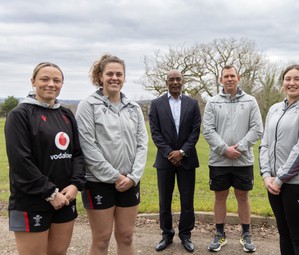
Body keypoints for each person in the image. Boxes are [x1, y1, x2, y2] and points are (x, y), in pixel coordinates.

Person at [5, 62, 86, 255]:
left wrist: (75, 185)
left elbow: (77, 154)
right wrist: (50, 193)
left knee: (58, 252)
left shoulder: (66, 114)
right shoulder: (19, 115)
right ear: (33, 81)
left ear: (62, 84)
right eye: (44, 79)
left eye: (56, 80)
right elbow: (21, 161)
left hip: (65, 199)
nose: (51, 84)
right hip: (32, 201)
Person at [75, 54, 148, 255]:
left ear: (124, 78)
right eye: (110, 74)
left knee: (126, 236)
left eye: (119, 74)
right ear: (100, 76)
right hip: (98, 181)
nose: (114, 78)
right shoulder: (87, 106)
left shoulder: (134, 108)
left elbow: (143, 144)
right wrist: (115, 176)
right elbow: (88, 147)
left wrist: (134, 177)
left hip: (130, 181)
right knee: (102, 239)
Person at [259, 64, 299, 254]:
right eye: (288, 79)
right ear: (283, 83)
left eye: (297, 79)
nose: (292, 83)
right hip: (273, 183)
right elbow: (265, 143)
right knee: (284, 233)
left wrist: (280, 179)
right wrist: (266, 175)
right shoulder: (274, 109)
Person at [203, 65, 263, 253]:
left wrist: (240, 147)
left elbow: (257, 129)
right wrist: (224, 149)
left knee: (243, 197)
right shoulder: (212, 102)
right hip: (219, 161)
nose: (229, 79)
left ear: (238, 78)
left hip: (242, 161)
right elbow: (208, 130)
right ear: (221, 79)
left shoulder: (250, 101)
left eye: (232, 76)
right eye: (226, 76)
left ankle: (246, 234)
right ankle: (220, 234)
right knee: (220, 197)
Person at [148, 69, 201, 253]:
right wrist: (170, 153)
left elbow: (195, 131)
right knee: (165, 200)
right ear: (166, 82)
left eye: (178, 79)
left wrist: (182, 152)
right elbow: (155, 132)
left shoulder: (193, 104)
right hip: (165, 161)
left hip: (187, 160)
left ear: (183, 81)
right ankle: (167, 234)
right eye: (172, 79)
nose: (175, 82)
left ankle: (185, 235)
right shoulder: (156, 104)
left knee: (187, 201)